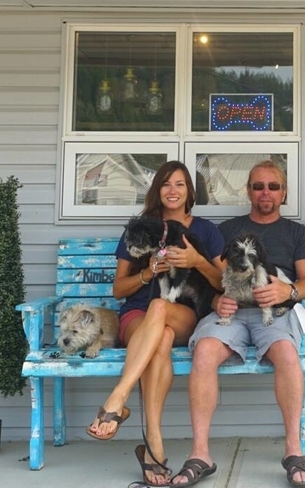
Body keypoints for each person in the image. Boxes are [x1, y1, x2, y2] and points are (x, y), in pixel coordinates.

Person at [176, 160, 305, 487]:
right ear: (248, 191)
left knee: (286, 354)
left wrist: (289, 290)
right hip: (231, 309)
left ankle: (293, 451)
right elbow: (206, 277)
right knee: (205, 352)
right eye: (258, 186)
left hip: (275, 312)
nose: (265, 192)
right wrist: (213, 301)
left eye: (273, 186)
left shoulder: (297, 232)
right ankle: (200, 454)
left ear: (283, 193)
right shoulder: (226, 230)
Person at [86, 161, 224, 488]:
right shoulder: (140, 229)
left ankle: (117, 399)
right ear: (157, 190)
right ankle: (154, 445)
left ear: (190, 191)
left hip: (184, 313)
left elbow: (222, 282)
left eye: (179, 184)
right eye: (166, 184)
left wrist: (196, 261)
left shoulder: (205, 230)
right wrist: (147, 271)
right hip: (137, 315)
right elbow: (119, 289)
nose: (172, 191)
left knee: (161, 306)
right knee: (159, 338)